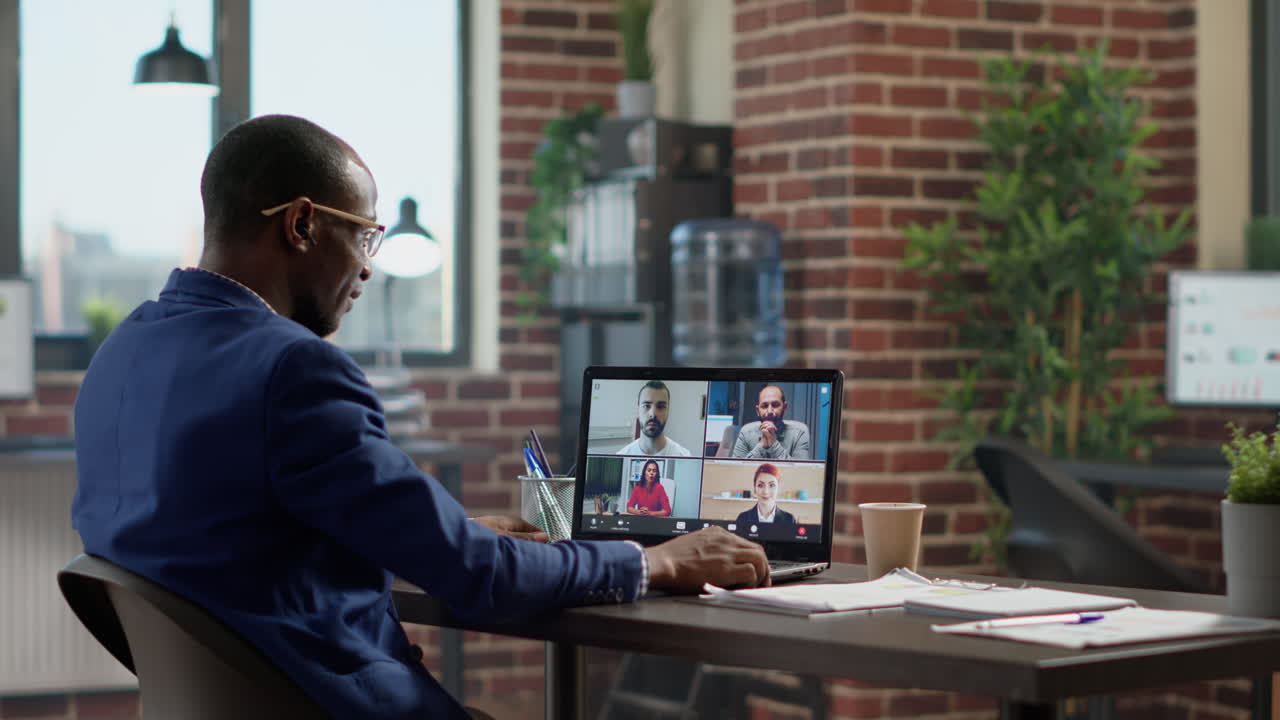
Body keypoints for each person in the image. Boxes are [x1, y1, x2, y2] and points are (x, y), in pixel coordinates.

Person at [70, 115, 769, 720]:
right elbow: (478, 579)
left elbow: (236, 535)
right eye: (364, 236)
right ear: (302, 224)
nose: (370, 268)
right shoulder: (292, 369)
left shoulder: (122, 354)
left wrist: (437, 530)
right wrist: (653, 562)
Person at [731, 384, 811, 460]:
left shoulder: (799, 432)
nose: (769, 411)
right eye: (764, 406)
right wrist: (761, 446)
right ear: (758, 410)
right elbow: (737, 470)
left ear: (784, 407)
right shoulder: (746, 432)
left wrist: (774, 445)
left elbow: (799, 471)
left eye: (775, 405)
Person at [615, 380, 692, 456]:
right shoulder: (622, 456)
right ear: (638, 409)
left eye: (661, 407)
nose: (653, 413)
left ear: (668, 411)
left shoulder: (684, 456)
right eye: (646, 406)